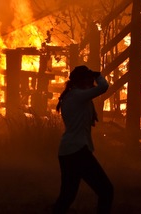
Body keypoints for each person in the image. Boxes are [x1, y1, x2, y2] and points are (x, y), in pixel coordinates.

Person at [53, 65, 113, 214]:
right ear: (82, 80)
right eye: (88, 78)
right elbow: (103, 87)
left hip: (68, 151)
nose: (91, 81)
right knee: (106, 190)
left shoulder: (73, 95)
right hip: (78, 151)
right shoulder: (78, 95)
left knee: (67, 196)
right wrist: (97, 75)